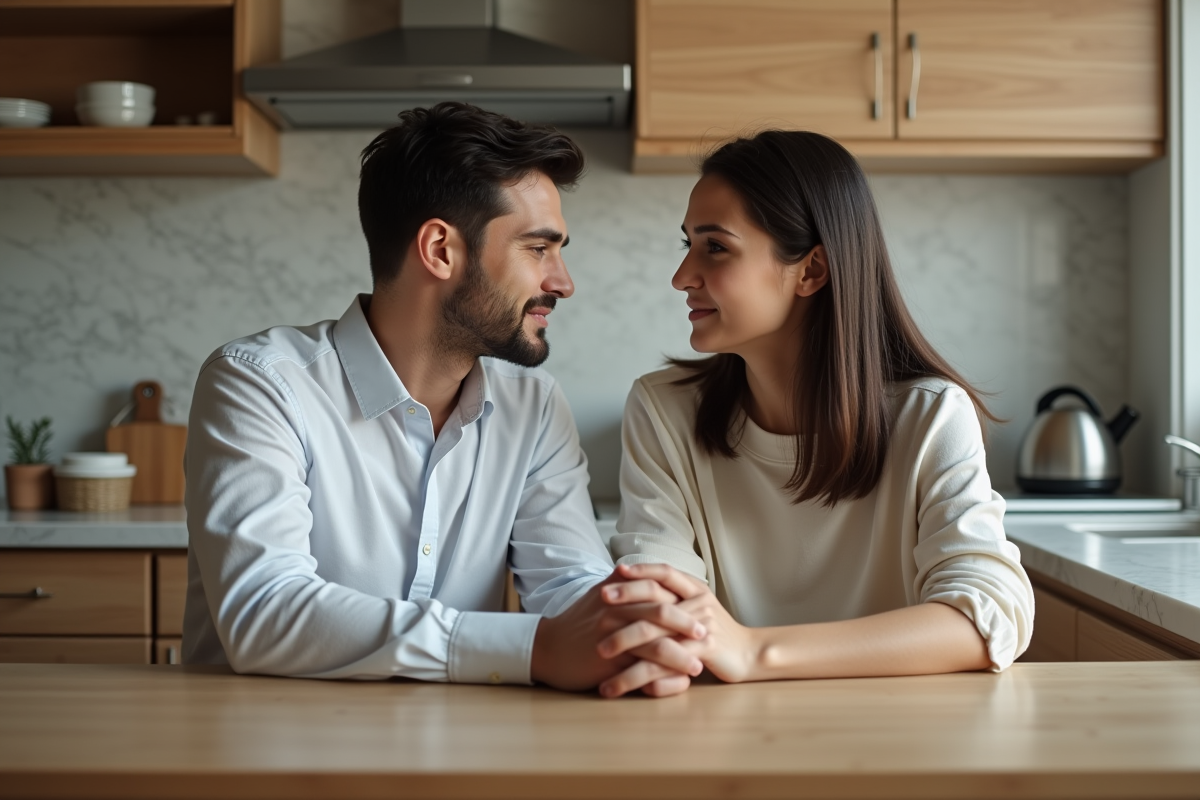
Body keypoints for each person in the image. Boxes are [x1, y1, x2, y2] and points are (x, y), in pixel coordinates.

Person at [182, 102, 707, 693]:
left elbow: (567, 585)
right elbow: (263, 613)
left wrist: (633, 631)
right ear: (439, 249)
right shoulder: (260, 383)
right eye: (538, 249)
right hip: (261, 758)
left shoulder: (532, 408)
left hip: (453, 752)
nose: (562, 282)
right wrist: (533, 648)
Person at [594, 130, 1035, 699]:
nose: (682, 276)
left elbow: (987, 617)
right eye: (687, 245)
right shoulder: (663, 411)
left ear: (811, 270)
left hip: (902, 737)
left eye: (716, 247)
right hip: (722, 746)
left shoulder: (930, 418)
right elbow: (661, 616)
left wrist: (754, 652)